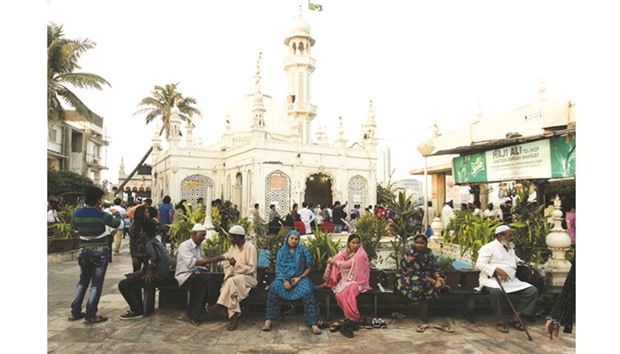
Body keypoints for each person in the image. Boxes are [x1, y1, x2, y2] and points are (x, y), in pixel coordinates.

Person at [69, 186, 124, 324]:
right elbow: (120, 225)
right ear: (99, 200)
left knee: (82, 281)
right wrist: (116, 214)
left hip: (83, 250)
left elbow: (75, 228)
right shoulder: (102, 215)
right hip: (99, 250)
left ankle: (75, 312)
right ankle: (91, 314)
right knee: (96, 284)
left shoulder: (77, 214)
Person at [475, 225, 539, 334]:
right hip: (493, 280)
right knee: (496, 293)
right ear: (500, 236)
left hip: (511, 281)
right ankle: (500, 320)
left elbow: (517, 261)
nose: (512, 237)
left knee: (532, 291)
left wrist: (533, 267)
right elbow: (480, 264)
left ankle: (516, 317)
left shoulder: (509, 248)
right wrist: (496, 269)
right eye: (510, 235)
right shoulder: (488, 247)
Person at [262, 230, 322, 334]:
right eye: (292, 238)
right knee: (273, 287)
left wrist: (299, 277)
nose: (294, 241)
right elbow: (278, 268)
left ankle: (313, 323)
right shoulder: (281, 251)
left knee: (308, 291)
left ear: (299, 240)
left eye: (296, 239)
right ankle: (269, 320)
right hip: (283, 279)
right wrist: (285, 280)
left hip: (300, 278)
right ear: (288, 239)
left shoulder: (303, 251)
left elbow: (309, 267)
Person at [207, 225, 258, 331]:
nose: (230, 240)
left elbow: (251, 269)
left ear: (238, 237)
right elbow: (227, 265)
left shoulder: (250, 248)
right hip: (234, 278)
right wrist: (229, 273)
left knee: (231, 282)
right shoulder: (232, 248)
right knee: (232, 287)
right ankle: (233, 320)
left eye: (232, 237)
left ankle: (218, 305)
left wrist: (236, 266)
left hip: (248, 278)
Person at [118, 220, 172, 320]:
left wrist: (149, 272)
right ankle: (137, 307)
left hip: (159, 276)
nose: (140, 233)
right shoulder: (154, 242)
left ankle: (137, 310)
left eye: (141, 231)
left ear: (145, 233)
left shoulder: (150, 244)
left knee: (123, 285)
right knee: (131, 281)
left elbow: (154, 258)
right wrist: (135, 274)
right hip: (161, 274)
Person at [175, 223, 227, 326]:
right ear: (194, 234)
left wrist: (204, 268)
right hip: (185, 276)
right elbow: (192, 262)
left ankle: (193, 316)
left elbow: (200, 263)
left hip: (195, 274)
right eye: (202, 235)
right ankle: (214, 305)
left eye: (204, 235)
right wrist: (212, 260)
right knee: (208, 279)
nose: (203, 238)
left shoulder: (199, 247)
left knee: (203, 288)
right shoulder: (185, 246)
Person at [395, 234, 449, 331]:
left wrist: (438, 278)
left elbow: (434, 267)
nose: (420, 245)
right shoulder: (410, 254)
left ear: (426, 244)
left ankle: (440, 284)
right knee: (419, 283)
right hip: (409, 276)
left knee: (438, 276)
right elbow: (416, 272)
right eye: (417, 243)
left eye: (422, 243)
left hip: (426, 275)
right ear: (414, 243)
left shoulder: (428, 253)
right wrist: (433, 281)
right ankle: (438, 287)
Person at [323, 233, 371, 338]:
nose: (356, 245)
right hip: (348, 279)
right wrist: (329, 265)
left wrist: (334, 262)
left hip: (359, 281)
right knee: (339, 294)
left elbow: (347, 264)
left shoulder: (361, 254)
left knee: (347, 293)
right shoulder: (346, 253)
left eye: (358, 243)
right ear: (349, 243)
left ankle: (353, 318)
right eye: (353, 242)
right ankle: (348, 317)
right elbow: (333, 258)